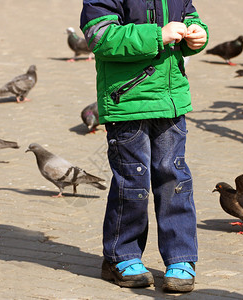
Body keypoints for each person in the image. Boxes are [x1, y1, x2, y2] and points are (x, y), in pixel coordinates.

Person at [80, 0, 208, 293]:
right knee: (133, 181)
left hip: (171, 102)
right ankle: (120, 256)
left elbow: (191, 17)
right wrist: (157, 36)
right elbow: (100, 37)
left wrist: (197, 35)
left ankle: (181, 258)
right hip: (127, 104)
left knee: (174, 179)